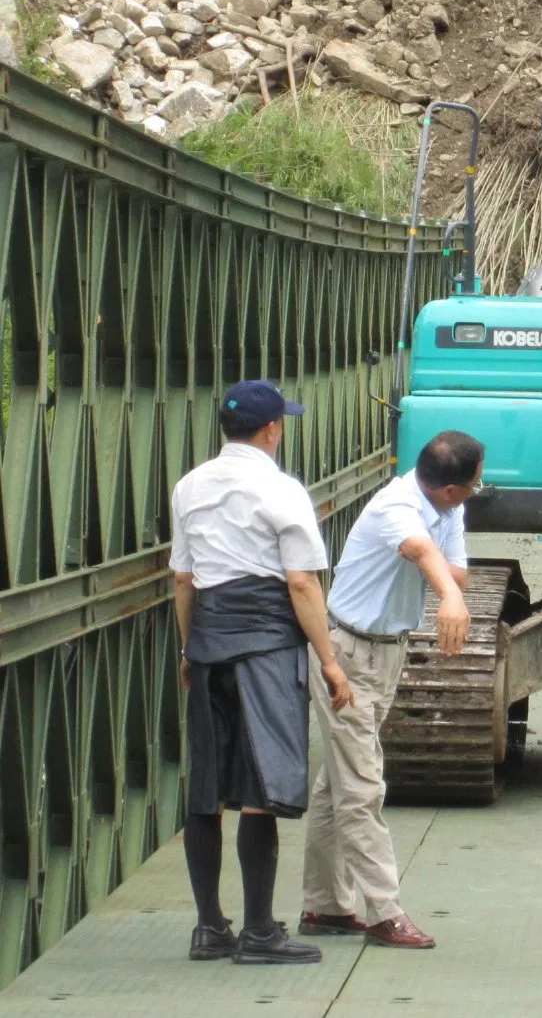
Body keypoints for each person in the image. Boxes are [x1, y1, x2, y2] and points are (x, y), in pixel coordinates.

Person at [172, 379, 355, 965]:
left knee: (207, 787)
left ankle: (209, 928)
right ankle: (258, 933)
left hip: (209, 639)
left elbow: (182, 579)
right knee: (261, 787)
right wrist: (328, 661)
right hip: (267, 643)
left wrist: (188, 650)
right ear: (272, 428)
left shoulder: (189, 486)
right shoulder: (281, 489)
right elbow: (301, 581)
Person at [299, 431, 481, 950]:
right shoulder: (396, 505)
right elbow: (421, 551)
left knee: (336, 786)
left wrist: (449, 588)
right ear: (451, 487)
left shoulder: (448, 509)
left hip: (386, 651)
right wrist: (445, 595)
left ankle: (325, 906)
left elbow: (460, 574)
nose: (478, 486)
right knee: (362, 785)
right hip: (347, 654)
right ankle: (384, 911)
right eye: (475, 480)